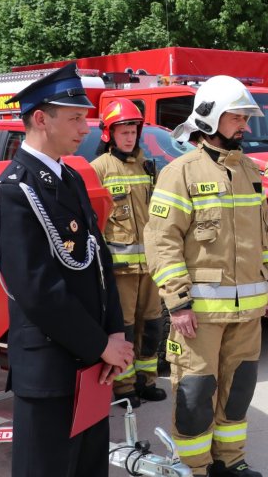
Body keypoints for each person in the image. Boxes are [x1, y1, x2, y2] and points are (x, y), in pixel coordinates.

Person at [0, 63, 133, 477]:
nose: (85, 128)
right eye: (75, 118)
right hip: (50, 371)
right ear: (41, 119)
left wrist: (115, 332)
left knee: (89, 468)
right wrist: (100, 344)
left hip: (90, 362)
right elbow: (37, 290)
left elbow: (99, 261)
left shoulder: (69, 176)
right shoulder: (15, 190)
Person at [144, 75, 268, 477]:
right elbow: (162, 241)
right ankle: (194, 468)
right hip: (199, 315)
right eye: (237, 117)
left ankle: (230, 460)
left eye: (245, 118)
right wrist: (178, 303)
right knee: (195, 392)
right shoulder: (180, 172)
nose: (244, 126)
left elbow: (264, 234)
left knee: (239, 390)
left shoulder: (250, 171)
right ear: (209, 118)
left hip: (249, 310)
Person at [91, 98, 166, 408]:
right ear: (109, 134)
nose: (129, 137)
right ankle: (124, 387)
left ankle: (147, 381)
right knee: (124, 329)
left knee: (151, 326)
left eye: (133, 131)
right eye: (123, 131)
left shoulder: (147, 165)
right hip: (119, 270)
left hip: (149, 267)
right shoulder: (99, 169)